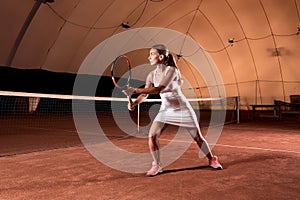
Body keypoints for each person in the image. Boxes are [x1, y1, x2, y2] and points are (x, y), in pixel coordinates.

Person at [123, 44, 223, 176]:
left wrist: (135, 90)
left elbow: (158, 89)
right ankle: (157, 165)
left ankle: (211, 159)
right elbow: (145, 94)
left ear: (161, 56)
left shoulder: (172, 70)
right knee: (152, 136)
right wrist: (135, 102)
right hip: (166, 110)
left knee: (198, 138)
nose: (149, 57)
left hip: (183, 109)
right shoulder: (151, 75)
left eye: (152, 54)